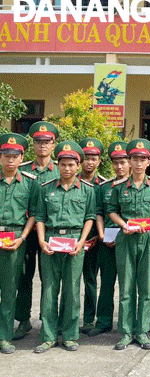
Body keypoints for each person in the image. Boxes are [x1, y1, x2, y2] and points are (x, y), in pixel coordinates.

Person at [34, 141, 96, 353]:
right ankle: (48, 336)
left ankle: (69, 335)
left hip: (74, 242)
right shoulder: (46, 188)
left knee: (71, 291)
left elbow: (90, 217)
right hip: (50, 241)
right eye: (63, 164)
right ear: (57, 165)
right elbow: (40, 217)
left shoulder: (87, 190)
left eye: (71, 164)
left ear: (78, 166)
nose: (67, 168)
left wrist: (81, 241)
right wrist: (42, 240)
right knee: (49, 291)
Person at [108, 139, 150, 351]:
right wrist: (123, 224)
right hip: (126, 237)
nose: (138, 163)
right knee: (125, 287)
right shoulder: (118, 187)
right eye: (134, 159)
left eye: (142, 159)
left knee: (145, 287)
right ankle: (125, 332)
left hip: (148, 238)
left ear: (148, 161)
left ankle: (142, 331)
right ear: (129, 161)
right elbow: (112, 210)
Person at [14, 121, 60, 341]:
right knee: (24, 277)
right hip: (25, 233)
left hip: (51, 233)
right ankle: (23, 320)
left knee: (49, 279)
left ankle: (47, 320)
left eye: (47, 142)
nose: (43, 145)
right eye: (38, 142)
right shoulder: (22, 170)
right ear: (33, 144)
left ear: (54, 144)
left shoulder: (60, 170)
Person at [87, 141, 130, 337]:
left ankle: (127, 322)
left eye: (123, 162)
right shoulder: (104, 187)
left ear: (130, 162)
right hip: (107, 241)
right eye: (115, 163)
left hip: (130, 240)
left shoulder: (139, 185)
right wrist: (102, 234)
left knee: (129, 284)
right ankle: (103, 321)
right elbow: (98, 213)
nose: (119, 167)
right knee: (106, 283)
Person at [0, 133, 37, 354]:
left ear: (22, 157)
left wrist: (22, 237)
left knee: (9, 289)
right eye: (6, 155)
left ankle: (4, 336)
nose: (10, 160)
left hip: (15, 238)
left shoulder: (30, 184)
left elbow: (33, 214)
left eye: (15, 156)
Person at [77, 138, 106, 334]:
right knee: (68, 282)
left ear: (99, 161)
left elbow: (102, 212)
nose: (89, 162)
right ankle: (64, 319)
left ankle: (88, 319)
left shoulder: (103, 185)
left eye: (93, 158)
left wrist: (97, 236)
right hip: (70, 239)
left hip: (94, 241)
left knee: (90, 281)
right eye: (86, 158)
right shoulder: (72, 180)